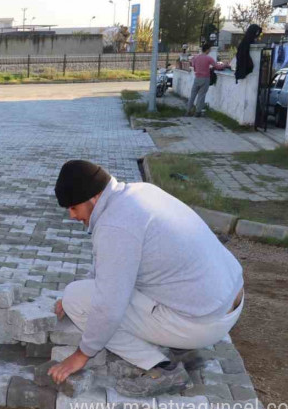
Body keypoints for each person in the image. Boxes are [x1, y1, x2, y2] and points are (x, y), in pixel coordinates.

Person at [47, 160, 245, 397]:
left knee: (76, 298)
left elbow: (109, 307)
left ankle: (160, 366)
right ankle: (172, 341)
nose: (71, 215)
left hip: (203, 323)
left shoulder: (115, 226)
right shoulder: (139, 192)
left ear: (93, 198)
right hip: (227, 299)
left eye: (73, 207)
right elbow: (111, 263)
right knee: (95, 292)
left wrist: (82, 355)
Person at [186, 43, 225, 117]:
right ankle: (198, 112)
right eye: (209, 49)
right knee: (201, 95)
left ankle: (188, 111)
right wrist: (225, 65)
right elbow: (216, 66)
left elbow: (194, 67)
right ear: (207, 50)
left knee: (193, 95)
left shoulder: (195, 58)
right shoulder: (208, 58)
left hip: (197, 78)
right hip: (205, 78)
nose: (210, 51)